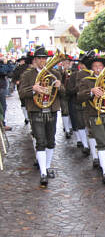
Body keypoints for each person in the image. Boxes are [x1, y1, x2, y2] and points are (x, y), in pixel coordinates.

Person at [19, 46, 63, 186]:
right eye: (40, 59)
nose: (42, 61)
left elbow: (63, 92)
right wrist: (33, 89)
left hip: (51, 109)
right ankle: (43, 172)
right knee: (41, 140)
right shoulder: (27, 75)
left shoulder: (55, 73)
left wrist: (59, 86)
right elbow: (21, 93)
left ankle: (47, 166)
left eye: (44, 58)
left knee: (51, 140)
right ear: (35, 60)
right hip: (36, 110)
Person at [78, 55, 105, 183]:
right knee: (101, 142)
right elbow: (79, 96)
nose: (98, 69)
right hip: (94, 114)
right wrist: (91, 91)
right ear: (92, 68)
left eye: (100, 66)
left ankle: (103, 163)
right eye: (95, 67)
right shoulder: (86, 81)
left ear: (104, 67)